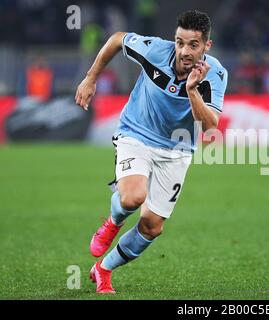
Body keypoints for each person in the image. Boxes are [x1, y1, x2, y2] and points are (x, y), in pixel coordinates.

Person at [74, 10, 228, 294]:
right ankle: (113, 222)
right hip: (137, 133)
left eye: (193, 45)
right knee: (133, 197)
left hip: (178, 150)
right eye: (179, 42)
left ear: (207, 46)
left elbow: (209, 127)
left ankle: (103, 270)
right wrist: (91, 78)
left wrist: (193, 90)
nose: (183, 50)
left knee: (152, 227)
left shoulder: (215, 74)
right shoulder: (155, 50)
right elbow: (117, 40)